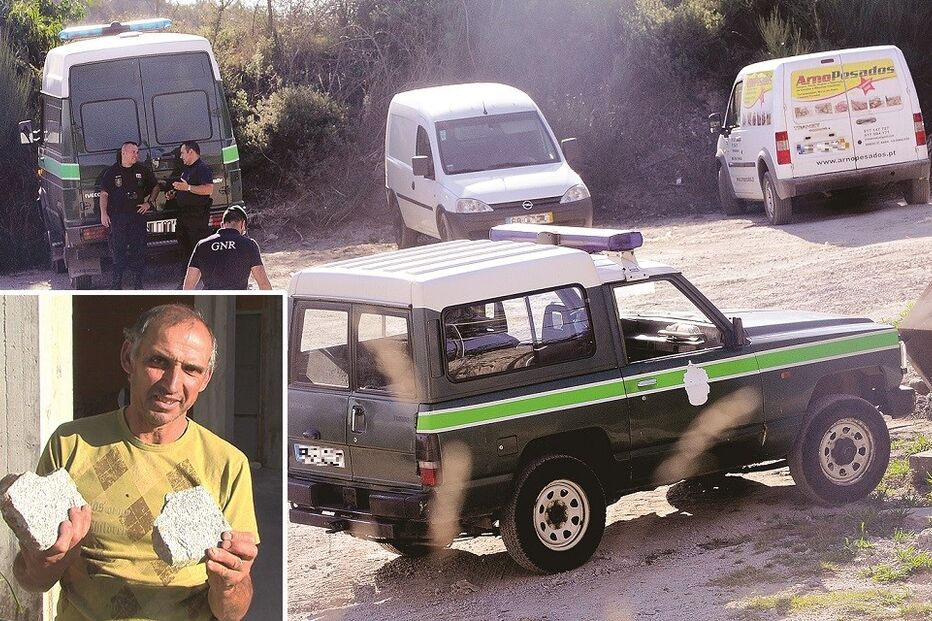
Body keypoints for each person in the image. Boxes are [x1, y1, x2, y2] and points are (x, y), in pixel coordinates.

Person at [11, 304, 258, 621]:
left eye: (191, 370)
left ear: (205, 378)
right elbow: (33, 581)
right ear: (129, 357)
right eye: (159, 361)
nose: (172, 384)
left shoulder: (227, 464)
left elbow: (231, 613)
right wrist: (47, 560)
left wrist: (230, 584)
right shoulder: (71, 444)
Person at [99, 141, 158, 289]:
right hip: (118, 217)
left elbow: (155, 187)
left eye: (137, 152)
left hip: (137, 217)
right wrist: (103, 213)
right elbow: (104, 194)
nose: (136, 155)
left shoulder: (142, 170)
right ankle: (116, 285)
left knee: (138, 251)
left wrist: (149, 203)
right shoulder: (112, 172)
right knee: (118, 252)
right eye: (133, 152)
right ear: (124, 153)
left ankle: (138, 284)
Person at [183, 206, 272, 290]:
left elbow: (188, 286)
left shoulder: (202, 245)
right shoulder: (249, 245)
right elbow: (263, 284)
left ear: (222, 225)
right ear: (243, 225)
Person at [167, 140, 214, 262]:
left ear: (191, 152)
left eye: (182, 153)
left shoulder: (202, 168)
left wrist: (187, 187)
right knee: (185, 251)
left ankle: (201, 272)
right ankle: (187, 273)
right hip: (184, 216)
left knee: (198, 250)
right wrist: (175, 193)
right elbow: (186, 189)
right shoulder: (187, 169)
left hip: (197, 217)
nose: (180, 156)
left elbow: (208, 189)